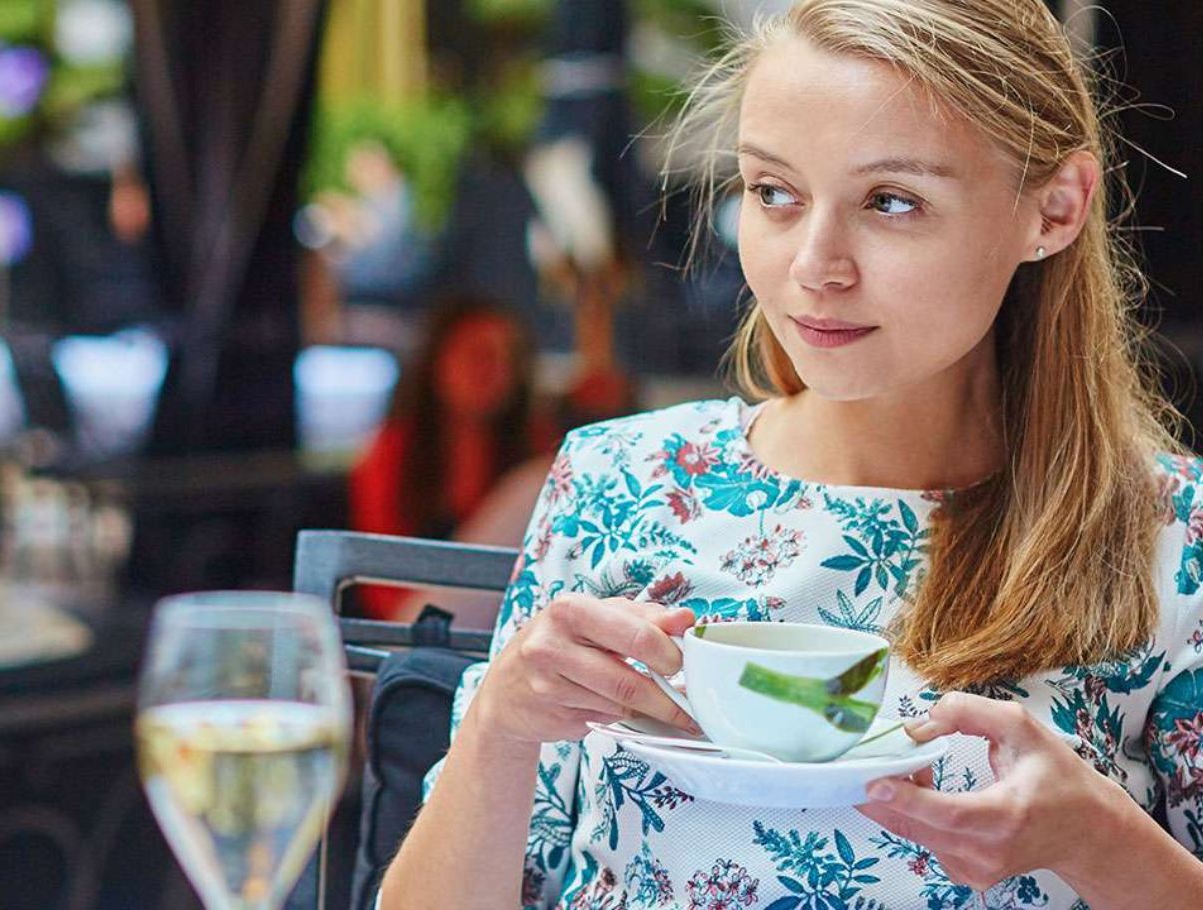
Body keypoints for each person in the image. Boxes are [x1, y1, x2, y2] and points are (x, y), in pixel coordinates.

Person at [380, 1, 1203, 907]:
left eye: (891, 201)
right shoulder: (618, 481)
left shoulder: (1173, 536)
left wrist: (1100, 841)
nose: (815, 265)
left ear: (1055, 207)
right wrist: (500, 727)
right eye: (774, 193)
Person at [350, 294, 554, 620]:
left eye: (509, 359)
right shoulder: (394, 450)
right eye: (479, 356)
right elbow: (376, 575)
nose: (495, 371)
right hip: (411, 625)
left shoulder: (534, 445)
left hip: (510, 623)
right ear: (437, 362)